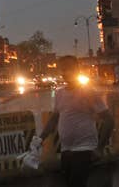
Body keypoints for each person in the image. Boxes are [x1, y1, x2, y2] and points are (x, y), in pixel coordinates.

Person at [37, 56, 113, 187]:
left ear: (77, 70)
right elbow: (54, 119)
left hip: (85, 148)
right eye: (63, 69)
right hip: (66, 150)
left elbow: (109, 120)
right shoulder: (59, 93)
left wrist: (100, 148)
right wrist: (40, 139)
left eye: (69, 68)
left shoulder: (88, 92)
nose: (66, 72)